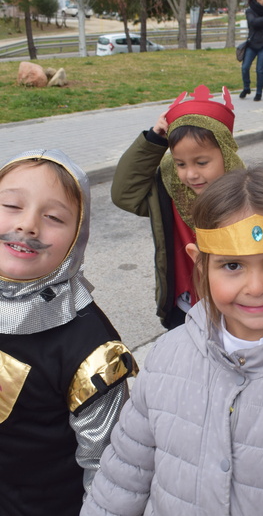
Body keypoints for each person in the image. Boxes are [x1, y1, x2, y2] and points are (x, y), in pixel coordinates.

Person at [81, 165, 263, 516]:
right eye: (232, 266)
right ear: (201, 263)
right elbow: (123, 478)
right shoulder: (166, 359)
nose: (255, 287)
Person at [112, 85, 263, 330]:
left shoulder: (253, 196)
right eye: (180, 163)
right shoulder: (169, 192)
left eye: (201, 162)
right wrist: (154, 140)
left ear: (226, 153)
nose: (191, 174)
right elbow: (125, 194)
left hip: (243, 308)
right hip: (186, 307)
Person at [0, 150, 136, 516]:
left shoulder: (90, 349)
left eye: (54, 217)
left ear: (78, 237)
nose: (28, 225)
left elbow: (108, 471)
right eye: (11, 205)